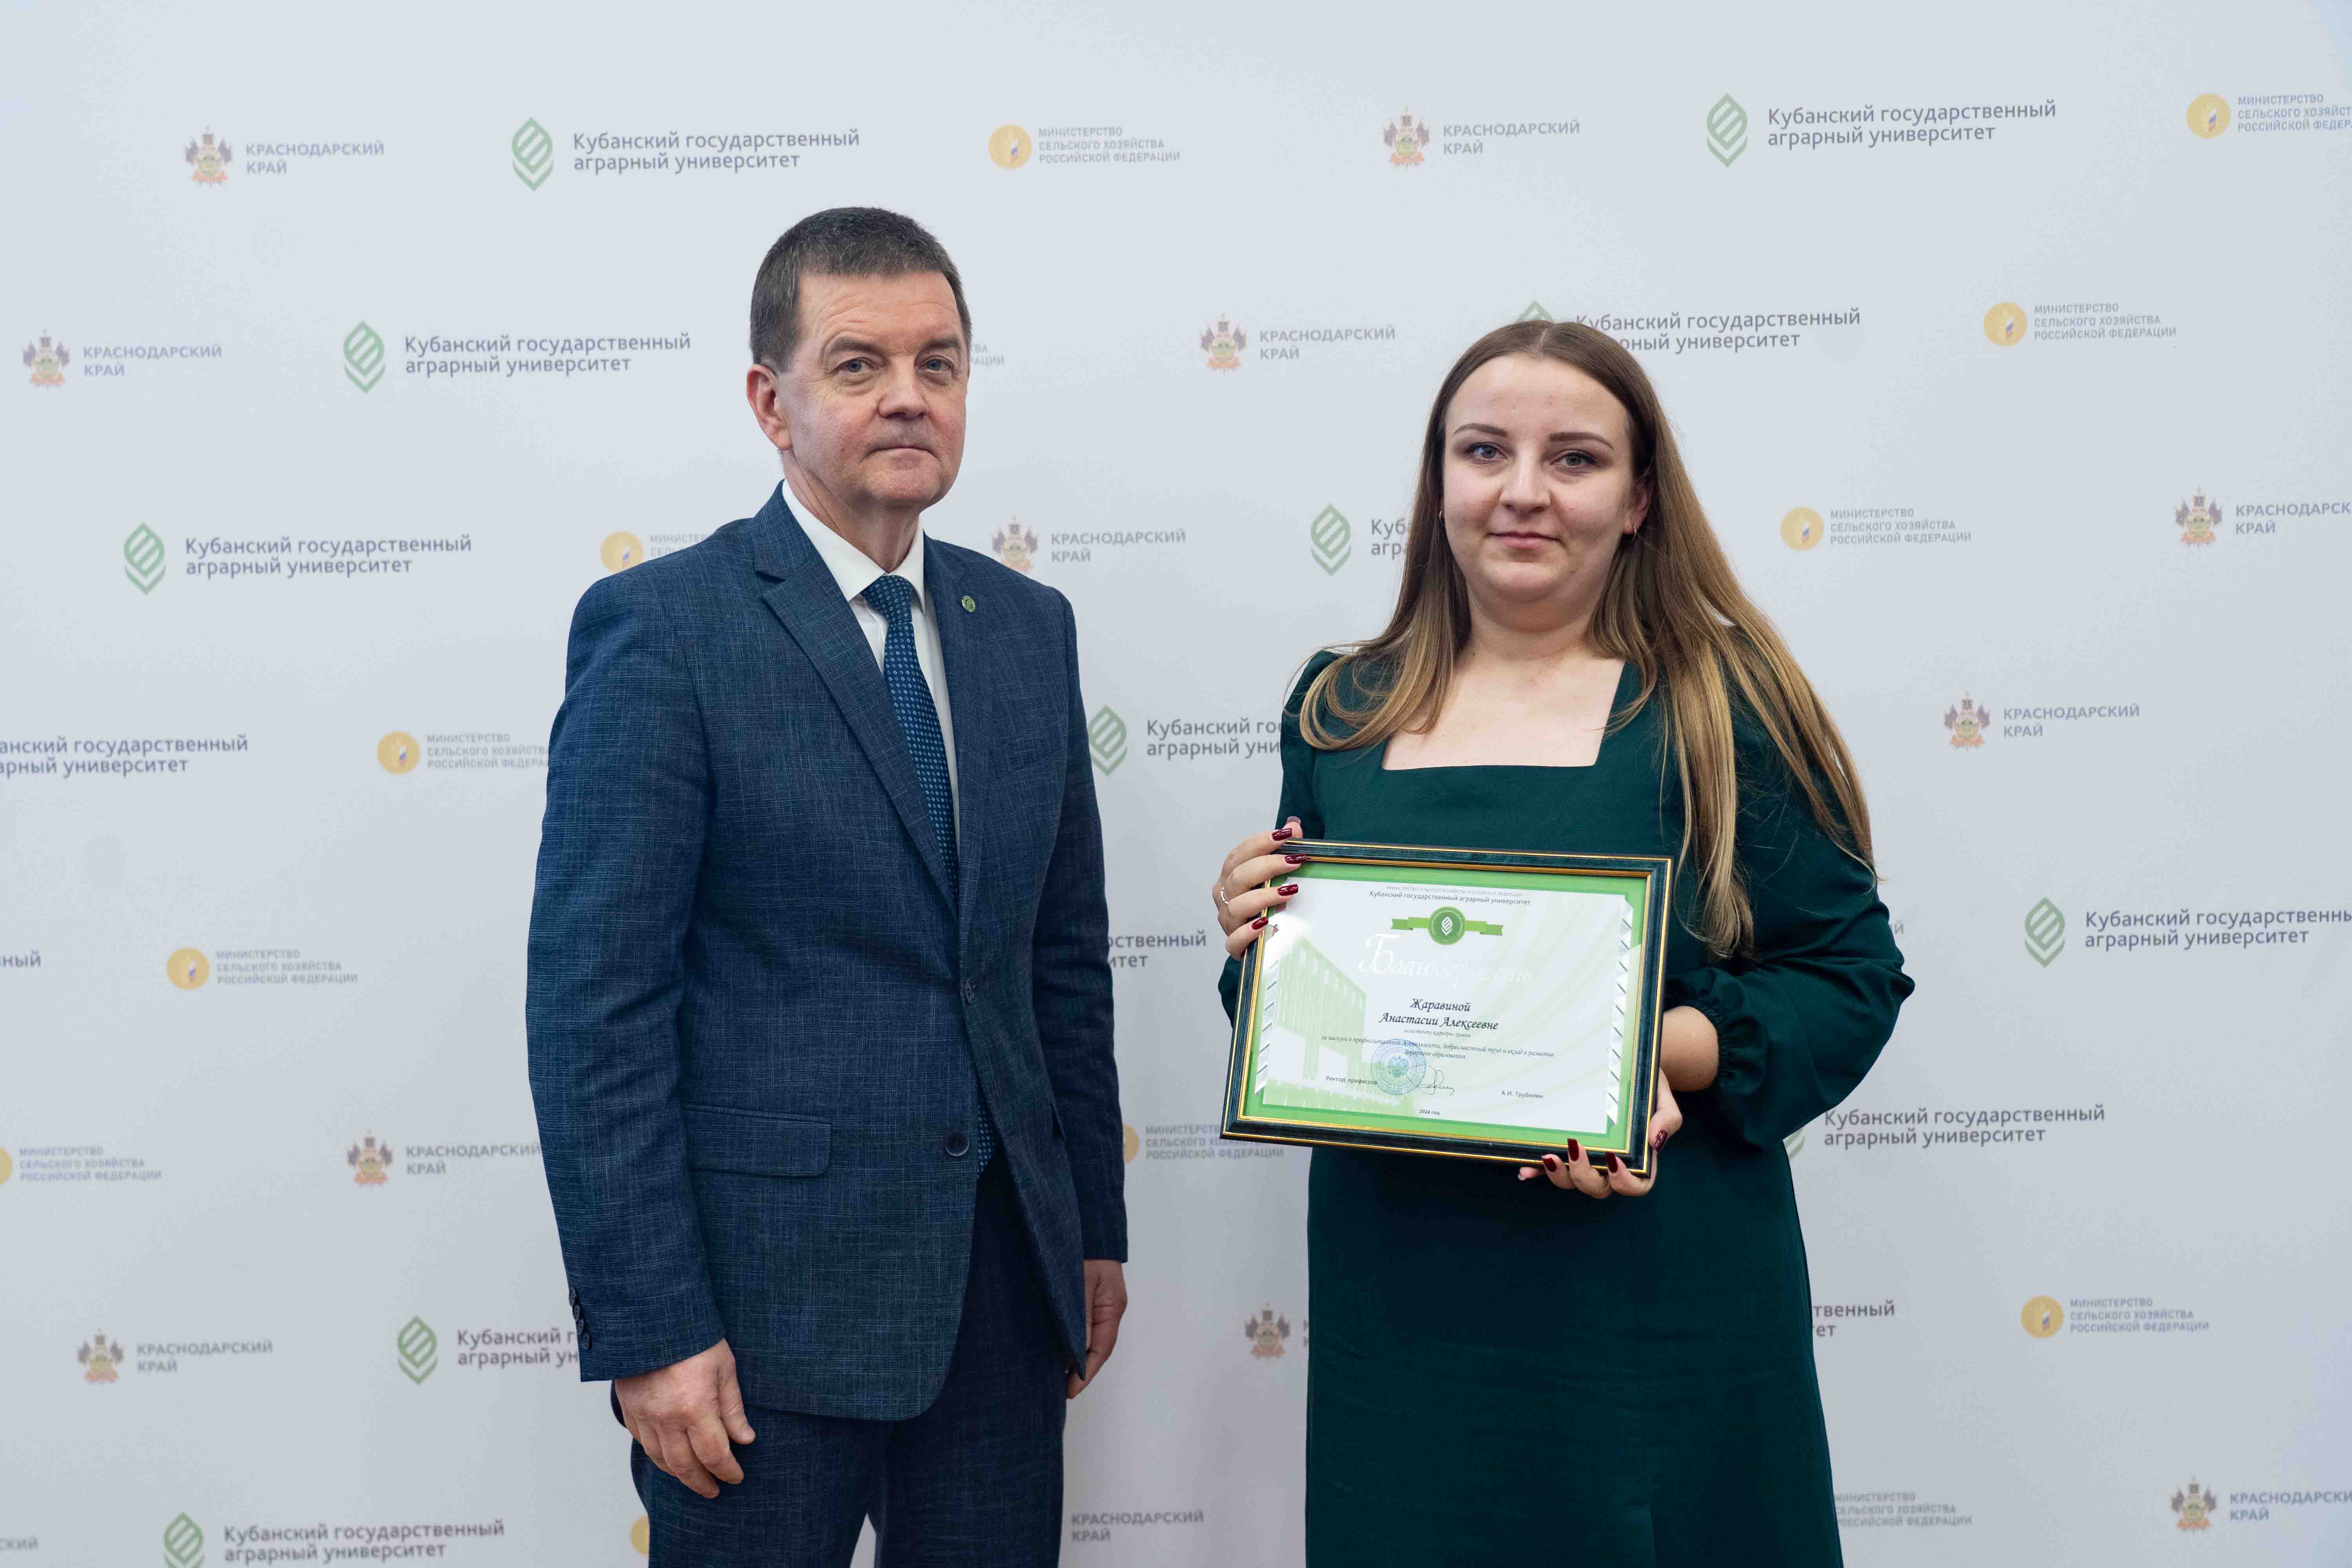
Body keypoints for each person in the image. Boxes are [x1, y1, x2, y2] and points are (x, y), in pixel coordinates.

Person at [1210, 319, 1912, 1564]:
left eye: (1574, 458)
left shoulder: (1722, 705)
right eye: (1485, 451)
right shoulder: (1340, 707)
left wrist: (1654, 1059)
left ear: (1639, 499)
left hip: (1656, 1314)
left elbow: (1850, 979)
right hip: (1405, 1317)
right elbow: (1307, 1016)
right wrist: (1258, 939)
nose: (1523, 490)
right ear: (1439, 483)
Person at [527, 207, 1128, 1566]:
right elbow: (594, 1011)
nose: (909, 396)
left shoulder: (1028, 630)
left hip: (1002, 1310)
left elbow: (1060, 966)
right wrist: (652, 1327)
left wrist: (1091, 1229)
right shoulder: (665, 631)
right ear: (771, 402)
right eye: (859, 365)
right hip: (755, 1334)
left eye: (939, 363)